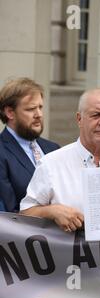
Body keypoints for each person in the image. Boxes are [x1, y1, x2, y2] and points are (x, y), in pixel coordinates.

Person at [20, 88, 100, 232]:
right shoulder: (51, 164)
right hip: (67, 254)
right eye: (96, 115)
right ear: (79, 119)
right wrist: (52, 211)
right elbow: (25, 215)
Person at [0, 78, 59, 212]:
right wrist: (50, 213)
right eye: (31, 109)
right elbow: (8, 214)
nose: (38, 114)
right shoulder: (2, 152)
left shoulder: (53, 148)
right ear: (10, 112)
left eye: (40, 107)